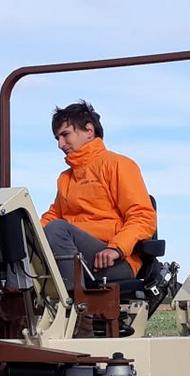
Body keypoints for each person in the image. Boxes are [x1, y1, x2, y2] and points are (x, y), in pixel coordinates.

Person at [40, 101, 157, 291]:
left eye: (65, 135)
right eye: (57, 139)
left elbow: (143, 216)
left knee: (57, 229)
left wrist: (116, 248)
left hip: (113, 260)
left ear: (88, 130)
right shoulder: (65, 178)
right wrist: (27, 232)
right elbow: (53, 216)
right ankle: (12, 301)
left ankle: (76, 309)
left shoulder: (118, 165)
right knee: (24, 233)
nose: (60, 144)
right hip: (75, 255)